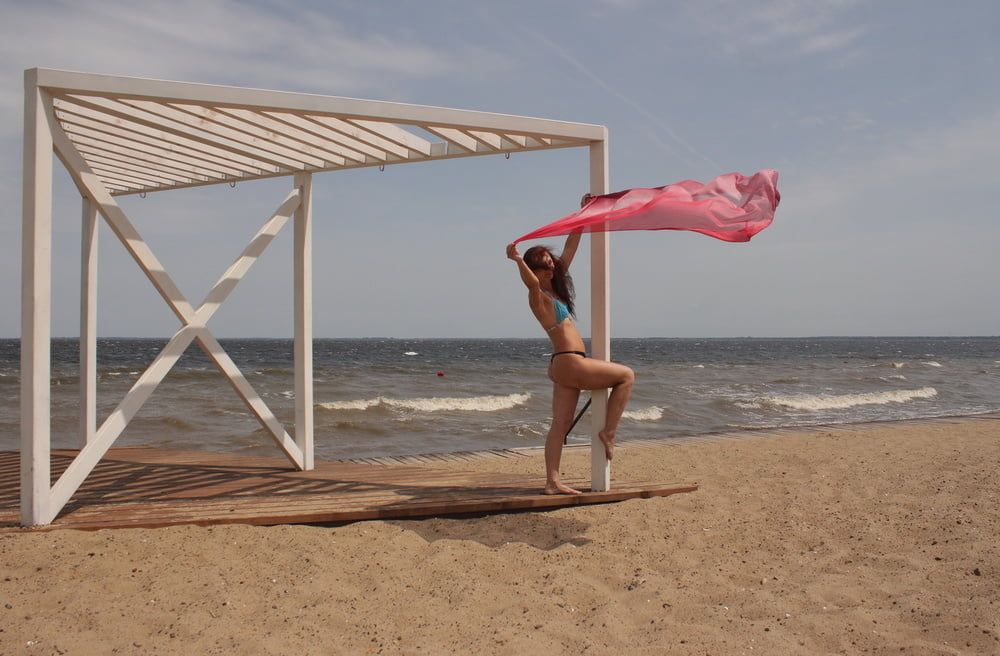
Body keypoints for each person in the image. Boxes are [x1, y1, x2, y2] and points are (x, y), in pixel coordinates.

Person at [506, 194, 635, 495]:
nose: (551, 270)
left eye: (551, 265)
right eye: (544, 267)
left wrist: (583, 213)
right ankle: (609, 433)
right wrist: (516, 260)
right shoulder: (538, 297)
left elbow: (571, 246)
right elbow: (531, 283)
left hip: (565, 364)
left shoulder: (558, 292)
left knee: (559, 425)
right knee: (626, 376)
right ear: (534, 270)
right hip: (569, 361)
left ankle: (552, 481)